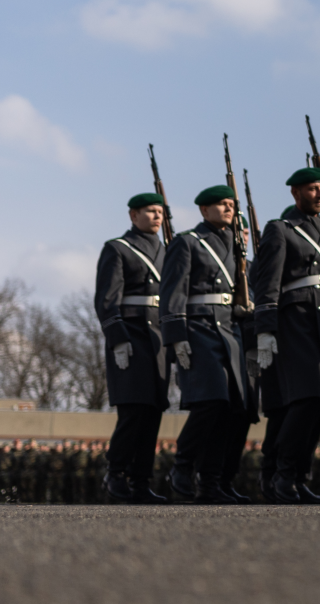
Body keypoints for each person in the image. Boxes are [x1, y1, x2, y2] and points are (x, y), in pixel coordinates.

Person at [250, 167, 320, 505]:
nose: (319, 195)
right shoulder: (280, 229)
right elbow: (266, 283)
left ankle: (299, 478)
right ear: (296, 193)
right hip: (296, 324)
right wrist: (265, 330)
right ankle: (283, 475)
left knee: (318, 406)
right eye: (312, 189)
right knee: (305, 400)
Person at [159, 184, 254, 504]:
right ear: (204, 209)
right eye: (221, 204)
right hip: (199, 328)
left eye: (231, 205)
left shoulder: (236, 245)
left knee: (230, 410)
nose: (228, 209)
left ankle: (211, 483)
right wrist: (176, 337)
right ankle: (182, 466)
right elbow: (173, 292)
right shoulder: (188, 242)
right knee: (211, 401)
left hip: (230, 330)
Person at [93, 192, 170, 504]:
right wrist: (118, 338)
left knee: (153, 412)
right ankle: (116, 472)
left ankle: (140, 481)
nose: (157, 216)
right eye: (150, 211)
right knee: (133, 410)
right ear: (133, 215)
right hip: (132, 335)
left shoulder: (169, 251)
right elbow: (106, 300)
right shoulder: (118, 248)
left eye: (160, 212)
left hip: (158, 339)